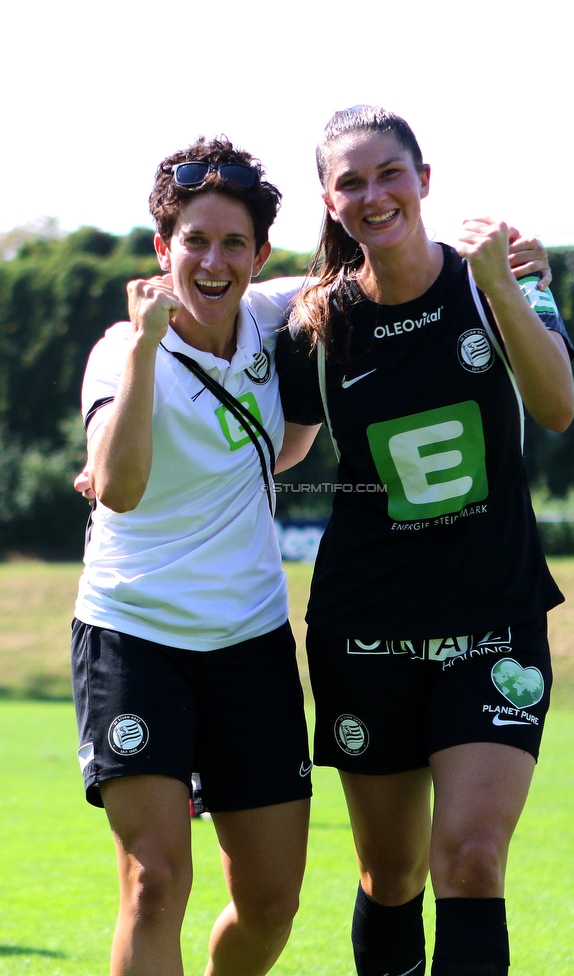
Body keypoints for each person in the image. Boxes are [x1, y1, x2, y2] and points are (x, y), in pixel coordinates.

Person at [275, 105, 574, 976]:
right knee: (392, 872)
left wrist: (508, 286)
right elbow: (280, 447)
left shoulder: (500, 278)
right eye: (351, 183)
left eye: (389, 174)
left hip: (495, 617)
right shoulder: (315, 325)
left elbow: (556, 407)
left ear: (425, 180)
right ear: (331, 204)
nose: (374, 195)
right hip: (366, 628)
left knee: (472, 860)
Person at [71, 136, 320, 976]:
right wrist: (145, 349)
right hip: (134, 636)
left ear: (258, 253)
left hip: (248, 642)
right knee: (154, 881)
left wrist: (511, 264)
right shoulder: (118, 352)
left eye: (234, 244)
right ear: (161, 248)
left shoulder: (272, 312)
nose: (213, 263)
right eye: (194, 242)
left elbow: (372, 262)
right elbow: (121, 486)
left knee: (272, 903)